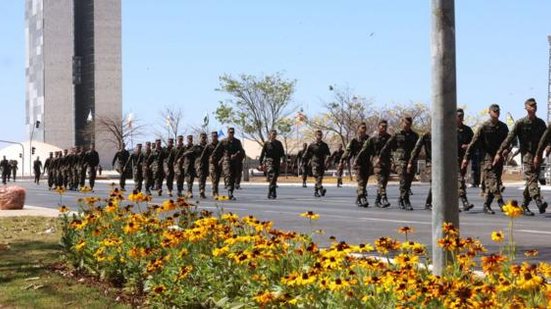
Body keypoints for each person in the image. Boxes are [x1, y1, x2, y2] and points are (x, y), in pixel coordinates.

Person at [495, 98, 548, 215]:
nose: (534, 107)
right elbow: (510, 138)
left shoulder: (541, 123)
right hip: (527, 155)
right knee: (532, 178)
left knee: (531, 180)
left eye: (535, 105)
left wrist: (547, 149)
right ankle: (539, 201)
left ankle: (524, 205)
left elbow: (546, 138)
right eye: (531, 106)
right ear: (526, 108)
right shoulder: (520, 123)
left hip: (538, 155)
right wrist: (501, 151)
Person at [462, 104, 509, 214]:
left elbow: (508, 141)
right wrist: (466, 158)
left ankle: (486, 205)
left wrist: (507, 150)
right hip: (487, 157)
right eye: (494, 111)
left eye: (498, 111)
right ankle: (501, 203)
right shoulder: (484, 126)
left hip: (499, 157)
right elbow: (473, 143)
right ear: (489, 112)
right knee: (493, 180)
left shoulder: (503, 127)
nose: (496, 113)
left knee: (494, 182)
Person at [380, 116, 419, 210]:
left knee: (408, 181)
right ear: (402, 123)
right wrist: (384, 157)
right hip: (399, 160)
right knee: (403, 180)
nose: (407, 125)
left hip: (410, 160)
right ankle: (406, 200)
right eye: (406, 123)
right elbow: (388, 146)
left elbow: (416, 149)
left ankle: (401, 198)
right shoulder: (397, 134)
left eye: (409, 124)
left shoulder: (415, 135)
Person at [357, 120, 392, 208]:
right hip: (377, 162)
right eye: (382, 126)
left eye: (385, 126)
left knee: (384, 182)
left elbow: (394, 150)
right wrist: (357, 160)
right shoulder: (373, 138)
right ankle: (384, 198)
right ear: (378, 127)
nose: (384, 128)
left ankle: (377, 200)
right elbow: (364, 150)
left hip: (387, 162)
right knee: (380, 180)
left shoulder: (390, 138)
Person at [340, 122, 370, 207]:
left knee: (364, 183)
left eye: (365, 128)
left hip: (367, 164)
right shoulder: (354, 140)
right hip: (357, 164)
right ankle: (363, 198)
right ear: (358, 129)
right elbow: (348, 151)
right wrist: (342, 161)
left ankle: (358, 199)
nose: (364, 130)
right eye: (362, 128)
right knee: (361, 182)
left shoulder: (369, 139)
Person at [212, 127, 245, 200]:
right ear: (228, 133)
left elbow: (241, 151)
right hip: (226, 161)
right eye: (230, 132)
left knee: (233, 177)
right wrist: (214, 160)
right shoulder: (223, 141)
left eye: (232, 132)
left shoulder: (237, 141)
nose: (231, 134)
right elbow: (216, 151)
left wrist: (238, 155)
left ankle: (231, 193)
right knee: (228, 175)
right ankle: (229, 191)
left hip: (234, 161)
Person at [457, 108, 475, 211]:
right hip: (451, 159)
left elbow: (474, 143)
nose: (461, 118)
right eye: (459, 116)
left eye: (462, 116)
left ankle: (454, 204)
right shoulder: (449, 129)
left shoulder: (467, 130)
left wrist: (467, 146)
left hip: (463, 159)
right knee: (460, 180)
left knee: (458, 182)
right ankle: (465, 202)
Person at [303, 130, 331, 198]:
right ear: (315, 136)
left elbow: (328, 154)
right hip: (314, 163)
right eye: (318, 135)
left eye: (320, 135)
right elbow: (306, 154)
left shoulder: (324, 145)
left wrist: (327, 162)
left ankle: (316, 192)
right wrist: (305, 160)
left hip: (322, 163)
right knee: (316, 176)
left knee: (320, 178)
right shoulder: (312, 145)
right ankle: (321, 189)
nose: (319, 136)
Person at [408, 132, 432, 210]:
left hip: (445, 162)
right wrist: (411, 162)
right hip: (431, 162)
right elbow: (417, 148)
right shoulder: (426, 136)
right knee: (435, 183)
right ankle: (428, 203)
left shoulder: (448, 133)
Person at [259, 129, 285, 199]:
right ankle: (271, 192)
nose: (274, 135)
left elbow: (282, 153)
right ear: (270, 135)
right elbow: (262, 154)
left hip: (277, 162)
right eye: (273, 134)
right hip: (269, 162)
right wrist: (260, 163)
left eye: (275, 134)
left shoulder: (279, 143)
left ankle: (272, 191)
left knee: (275, 177)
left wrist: (283, 161)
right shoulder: (266, 143)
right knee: (272, 175)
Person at [200, 131, 221, 198]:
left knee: (217, 179)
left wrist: (222, 160)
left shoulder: (220, 144)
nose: (214, 138)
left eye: (216, 136)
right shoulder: (208, 146)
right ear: (211, 137)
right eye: (213, 136)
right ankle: (215, 193)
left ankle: (214, 191)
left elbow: (224, 153)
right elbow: (203, 156)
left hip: (219, 164)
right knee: (214, 178)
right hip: (211, 164)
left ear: (217, 137)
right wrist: (201, 164)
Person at [193, 133, 209, 199]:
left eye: (205, 137)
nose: (203, 139)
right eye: (202, 137)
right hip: (199, 164)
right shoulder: (196, 146)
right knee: (201, 177)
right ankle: (201, 190)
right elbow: (190, 152)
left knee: (204, 178)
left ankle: (202, 190)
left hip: (206, 164)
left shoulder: (208, 146)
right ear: (200, 138)